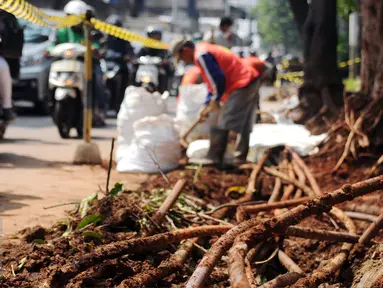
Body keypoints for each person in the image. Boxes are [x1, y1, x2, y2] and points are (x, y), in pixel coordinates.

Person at [170, 38, 261, 165]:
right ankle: (239, 157)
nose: (184, 61)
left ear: (186, 50)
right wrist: (208, 103)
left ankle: (215, 157)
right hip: (249, 78)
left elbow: (218, 79)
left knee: (226, 119)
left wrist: (215, 100)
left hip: (242, 81)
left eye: (182, 57)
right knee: (244, 123)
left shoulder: (201, 55)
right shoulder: (204, 49)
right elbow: (211, 82)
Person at [52, 0, 106, 124]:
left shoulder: (89, 29)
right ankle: (48, 100)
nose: (72, 20)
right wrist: (49, 51)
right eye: (69, 16)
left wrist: (95, 49)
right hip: (66, 63)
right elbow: (53, 45)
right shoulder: (61, 30)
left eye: (75, 17)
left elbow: (98, 44)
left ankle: (99, 110)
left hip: (86, 64)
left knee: (97, 81)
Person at [0, 9, 24, 122]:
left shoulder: (8, 17)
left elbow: (16, 36)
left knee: (2, 66)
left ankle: (6, 106)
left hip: (2, 56)